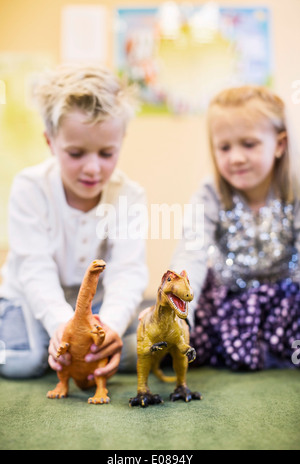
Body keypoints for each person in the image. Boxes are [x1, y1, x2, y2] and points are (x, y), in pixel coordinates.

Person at [0, 64, 148, 379]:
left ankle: (97, 348)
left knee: (147, 345)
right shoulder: (30, 187)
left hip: (95, 302)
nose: (93, 168)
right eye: (77, 153)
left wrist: (109, 327)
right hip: (28, 295)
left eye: (107, 153)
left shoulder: (130, 195)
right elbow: (34, 268)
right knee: (24, 362)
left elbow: (128, 271)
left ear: (122, 141)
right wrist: (60, 325)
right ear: (50, 142)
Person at [171, 85, 300, 370]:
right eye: (224, 147)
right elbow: (190, 253)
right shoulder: (211, 193)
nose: (236, 158)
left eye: (249, 144)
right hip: (229, 300)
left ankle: (271, 350)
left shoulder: (294, 190)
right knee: (175, 347)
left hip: (287, 299)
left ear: (279, 145)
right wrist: (178, 314)